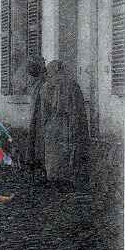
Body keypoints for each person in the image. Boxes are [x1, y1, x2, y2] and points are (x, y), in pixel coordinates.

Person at [39, 60, 91, 192]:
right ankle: (68, 179)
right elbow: (79, 109)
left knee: (54, 151)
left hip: (53, 124)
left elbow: (44, 112)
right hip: (69, 123)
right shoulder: (73, 85)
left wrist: (46, 125)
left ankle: (55, 178)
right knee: (67, 149)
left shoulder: (45, 87)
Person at [27, 55, 48, 183]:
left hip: (41, 116)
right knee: (35, 142)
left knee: (41, 143)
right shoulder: (36, 83)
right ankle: (37, 171)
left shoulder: (44, 83)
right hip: (35, 115)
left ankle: (43, 171)